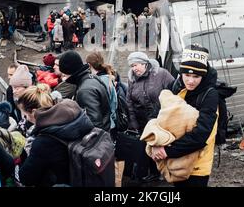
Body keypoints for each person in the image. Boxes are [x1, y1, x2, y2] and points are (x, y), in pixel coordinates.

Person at [150, 45, 219, 187]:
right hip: (175, 160)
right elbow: (156, 115)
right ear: (181, 73)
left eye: (196, 76)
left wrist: (166, 151)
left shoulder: (210, 95)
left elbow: (201, 135)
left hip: (197, 164)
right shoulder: (175, 87)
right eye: (187, 75)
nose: (191, 81)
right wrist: (154, 143)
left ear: (203, 75)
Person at [17, 99, 93, 186]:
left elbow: (26, 178)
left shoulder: (44, 142)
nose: (24, 119)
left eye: (25, 116)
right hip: (85, 177)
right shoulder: (79, 121)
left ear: (34, 112)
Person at [125, 51, 174, 182]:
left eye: (136, 65)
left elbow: (174, 92)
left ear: (145, 63)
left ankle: (172, 171)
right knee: (151, 146)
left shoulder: (161, 74)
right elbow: (129, 101)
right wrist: (133, 122)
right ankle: (154, 172)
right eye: (132, 66)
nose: (134, 69)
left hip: (163, 118)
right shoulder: (132, 79)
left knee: (167, 144)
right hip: (144, 121)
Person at [59, 50, 110, 131]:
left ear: (69, 72)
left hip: (96, 139)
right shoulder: (91, 78)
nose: (63, 76)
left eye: (64, 73)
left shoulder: (85, 90)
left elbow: (94, 123)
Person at [85, 52, 117, 130]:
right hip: (110, 122)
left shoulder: (98, 81)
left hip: (103, 125)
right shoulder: (108, 78)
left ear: (89, 65)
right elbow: (114, 102)